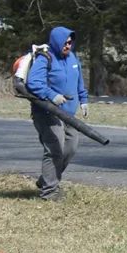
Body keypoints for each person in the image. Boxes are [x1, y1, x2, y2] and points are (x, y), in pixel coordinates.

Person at [26, 26, 89, 201]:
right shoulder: (45, 58)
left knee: (71, 147)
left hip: (68, 114)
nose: (68, 46)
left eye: (70, 42)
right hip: (47, 113)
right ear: (56, 42)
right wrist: (53, 96)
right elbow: (34, 83)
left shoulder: (73, 59)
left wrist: (83, 101)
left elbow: (79, 82)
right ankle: (49, 193)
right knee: (55, 149)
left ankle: (47, 180)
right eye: (65, 42)